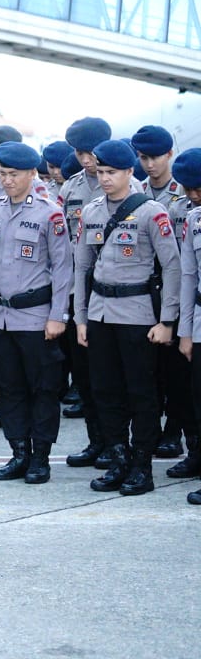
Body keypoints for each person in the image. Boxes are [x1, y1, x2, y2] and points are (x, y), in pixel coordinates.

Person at [75, 139, 181, 496]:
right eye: (101, 172)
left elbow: (172, 267)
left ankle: (141, 467)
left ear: (128, 172)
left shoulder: (152, 212)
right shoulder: (91, 212)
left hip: (137, 315)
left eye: (112, 172)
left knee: (142, 394)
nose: (104, 179)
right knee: (106, 391)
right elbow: (82, 268)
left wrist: (166, 321)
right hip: (101, 313)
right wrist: (81, 317)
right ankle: (118, 459)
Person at [0, 142, 72, 483]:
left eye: (14, 174)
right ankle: (18, 453)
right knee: (7, 388)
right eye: (2, 174)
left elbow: (63, 269)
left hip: (35, 316)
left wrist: (58, 316)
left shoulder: (49, 213)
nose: (7, 181)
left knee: (42, 389)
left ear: (32, 173)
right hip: (0, 315)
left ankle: (41, 457)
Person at [131, 125, 193, 460]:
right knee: (147, 368)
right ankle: (151, 430)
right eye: (142, 157)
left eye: (154, 157)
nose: (149, 164)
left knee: (176, 371)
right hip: (143, 292)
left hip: (177, 288)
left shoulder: (184, 193)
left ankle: (174, 432)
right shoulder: (136, 194)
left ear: (169, 154)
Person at [60, 117, 114, 468]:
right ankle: (97, 440)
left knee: (114, 377)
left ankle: (116, 443)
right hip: (78, 291)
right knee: (84, 374)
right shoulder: (70, 189)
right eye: (79, 153)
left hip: (118, 294)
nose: (85, 160)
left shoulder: (129, 186)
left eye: (90, 152)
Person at [171, 148, 201, 500]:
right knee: (196, 394)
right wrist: (186, 331)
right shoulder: (193, 220)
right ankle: (196, 455)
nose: (193, 196)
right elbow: (189, 276)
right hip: (198, 319)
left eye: (199, 189)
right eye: (189, 189)